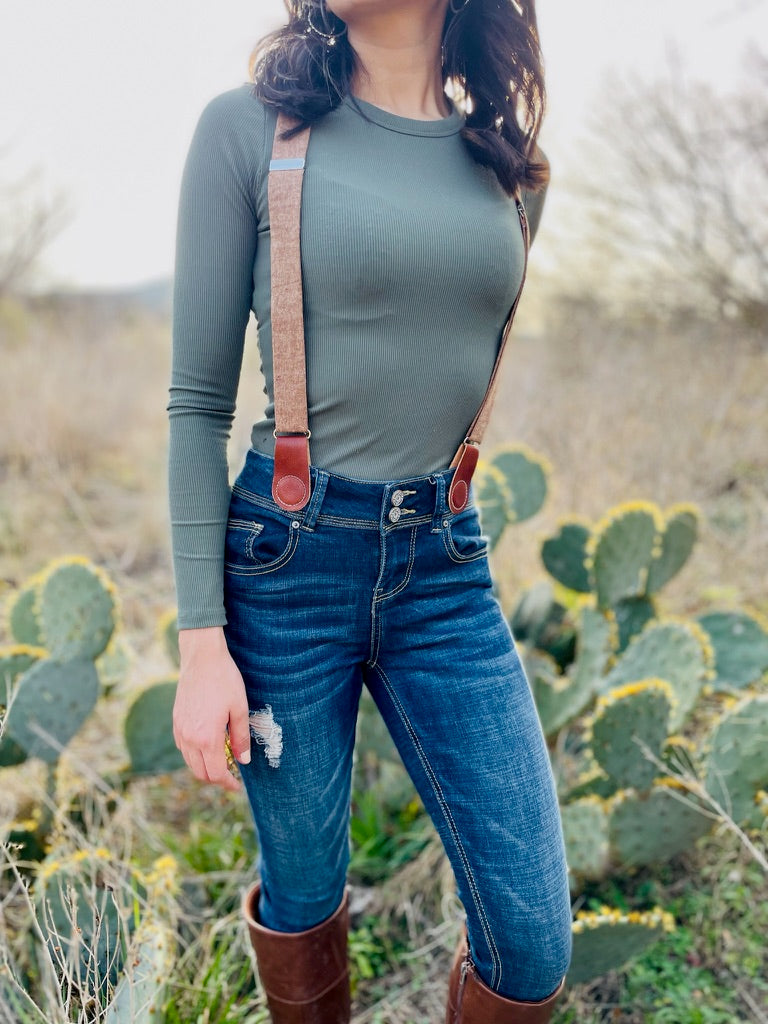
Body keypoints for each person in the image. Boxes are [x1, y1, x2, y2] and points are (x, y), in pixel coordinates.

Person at [168, 1, 572, 1021]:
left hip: (446, 566)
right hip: (285, 564)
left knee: (530, 938)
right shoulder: (245, 130)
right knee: (303, 886)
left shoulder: (511, 167)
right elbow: (196, 405)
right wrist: (199, 642)